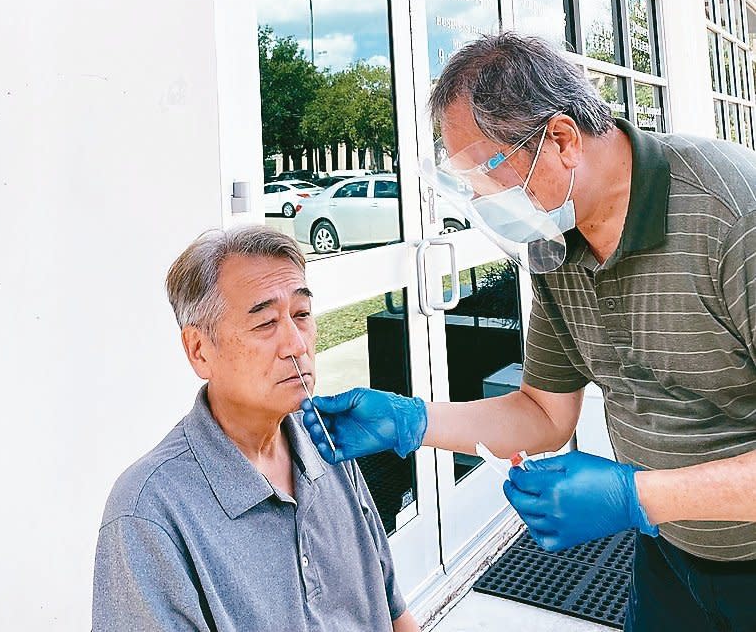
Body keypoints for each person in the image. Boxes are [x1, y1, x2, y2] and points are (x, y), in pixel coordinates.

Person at [302, 32, 756, 632]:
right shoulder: (556, 246)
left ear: (562, 139)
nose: (483, 201)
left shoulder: (733, 217)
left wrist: (636, 496)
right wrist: (411, 421)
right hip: (669, 555)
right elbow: (545, 414)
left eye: (486, 175)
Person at [92, 225, 419, 632]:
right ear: (199, 350)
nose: (296, 344)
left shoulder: (327, 444)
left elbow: (393, 613)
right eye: (265, 323)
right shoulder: (149, 510)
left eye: (301, 315)